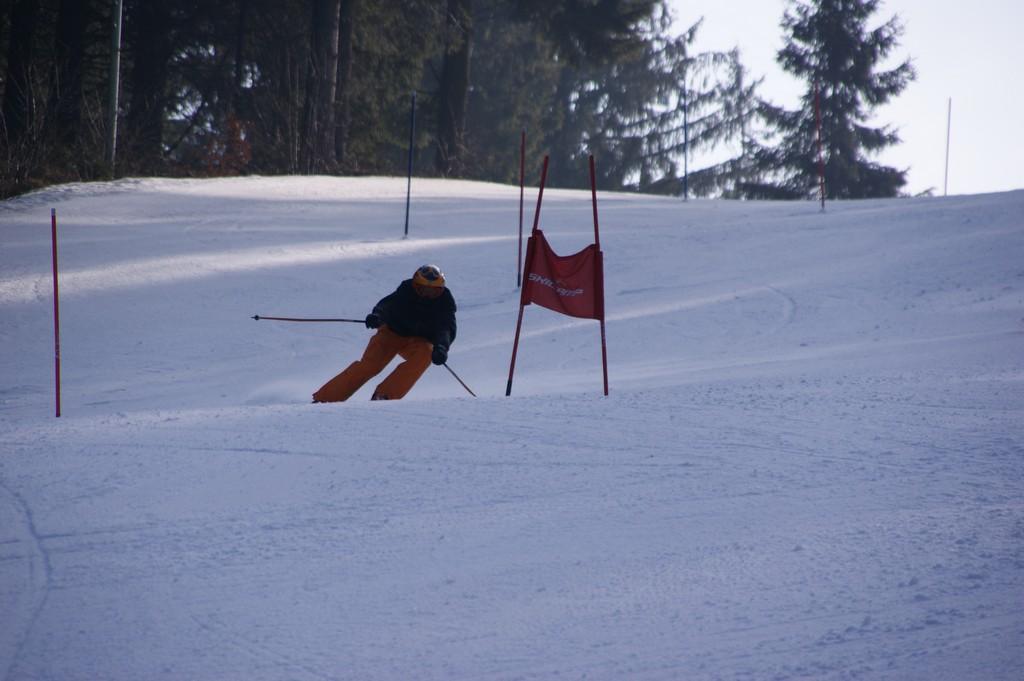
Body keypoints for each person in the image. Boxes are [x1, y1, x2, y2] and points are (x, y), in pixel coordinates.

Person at [313, 264, 457, 402]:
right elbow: (387, 305)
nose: (427, 294)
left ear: (441, 289)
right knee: (370, 366)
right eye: (423, 289)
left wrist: (441, 347)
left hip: (418, 341)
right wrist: (377, 316)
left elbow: (446, 328)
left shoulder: (444, 302)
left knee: (426, 353)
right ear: (416, 286)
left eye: (433, 291)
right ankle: (326, 398)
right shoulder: (406, 291)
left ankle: (385, 395)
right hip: (391, 334)